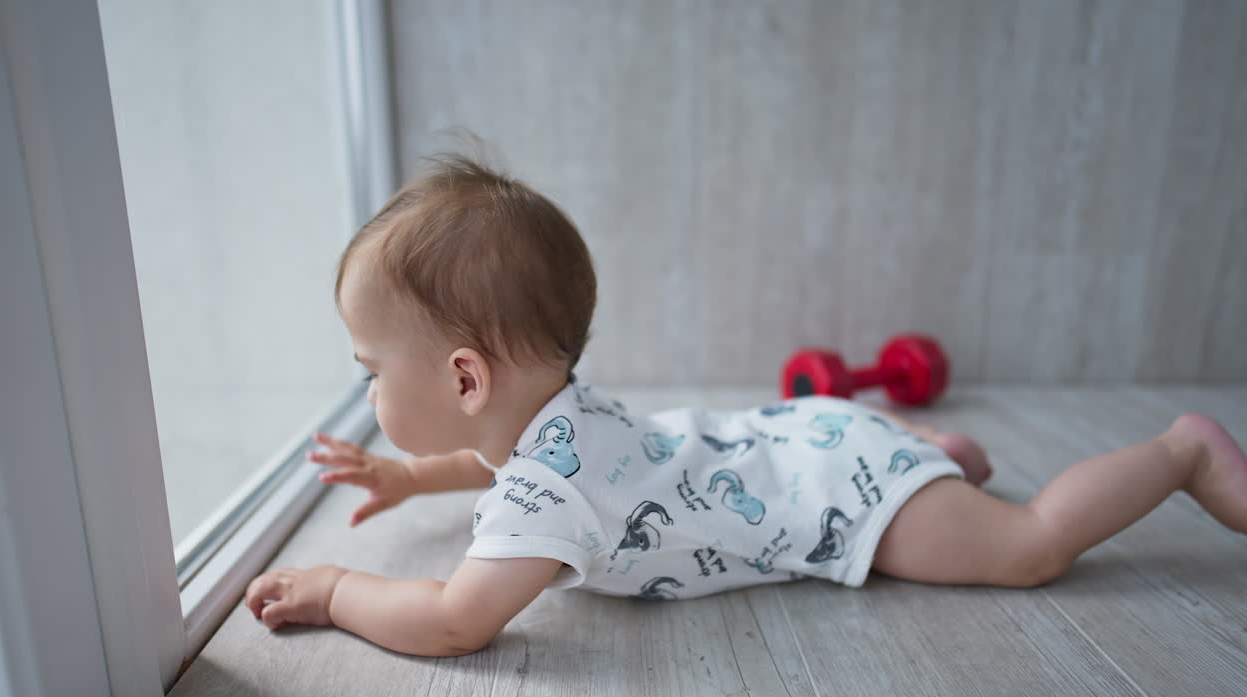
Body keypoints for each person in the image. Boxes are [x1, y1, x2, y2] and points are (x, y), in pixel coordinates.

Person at [244, 154, 1247, 657]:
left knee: (1026, 549)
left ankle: (1178, 454)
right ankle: (934, 454)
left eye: (373, 366)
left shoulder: (542, 502)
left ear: (465, 380)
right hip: (799, 437)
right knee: (924, 474)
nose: (369, 388)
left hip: (836, 497)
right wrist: (404, 472)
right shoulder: (550, 420)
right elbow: (488, 462)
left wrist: (337, 593)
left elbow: (456, 620)